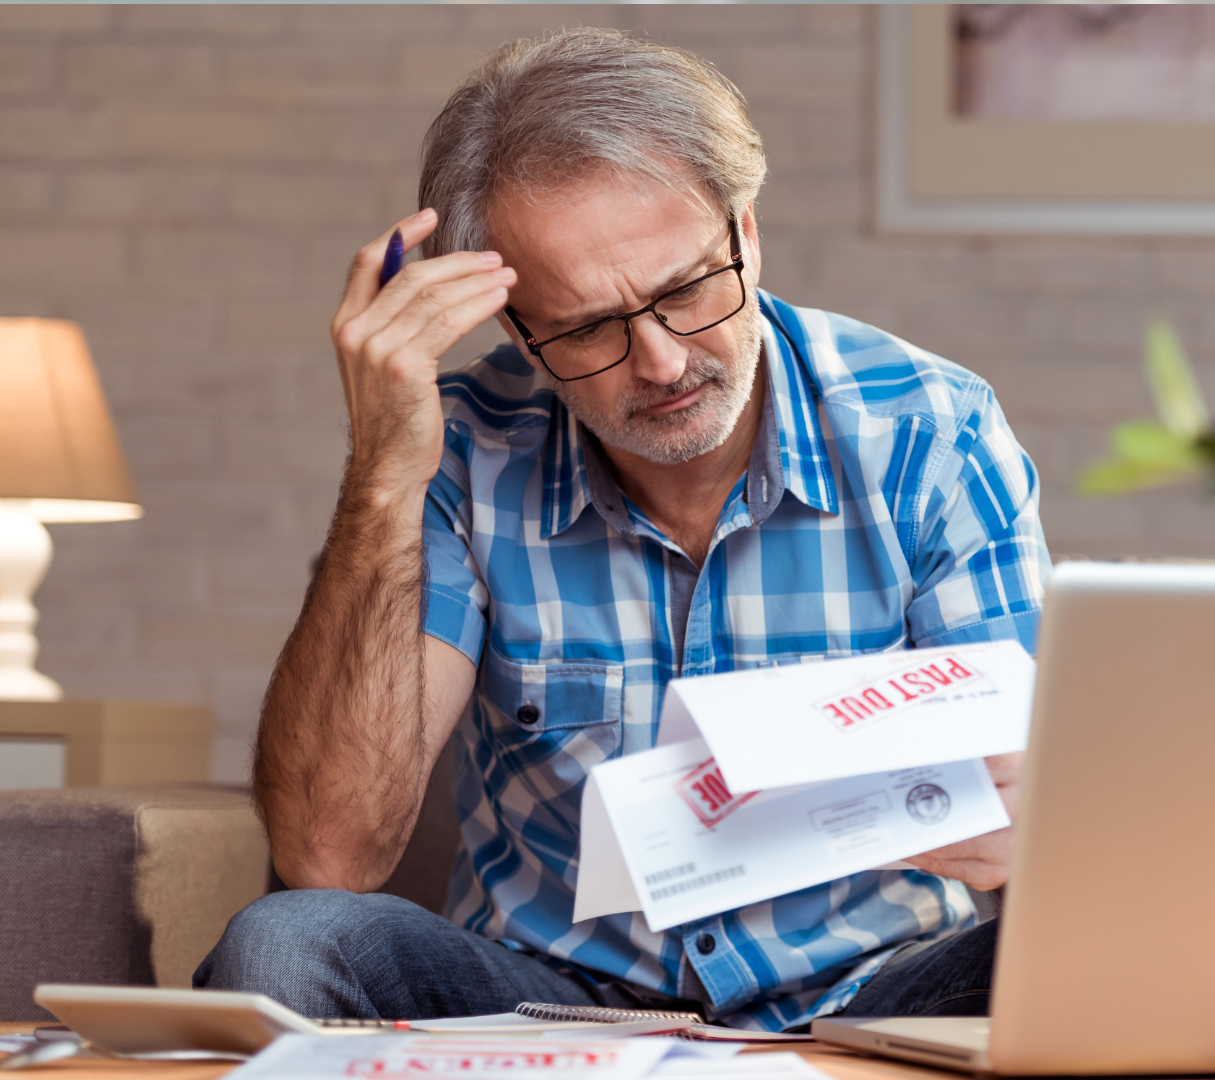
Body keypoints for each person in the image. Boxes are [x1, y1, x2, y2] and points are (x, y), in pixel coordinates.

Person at [196, 28, 1048, 1032]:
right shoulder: (463, 450)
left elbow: (1050, 828)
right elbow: (332, 855)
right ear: (519, 330)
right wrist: (384, 476)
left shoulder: (931, 433)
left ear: (746, 232)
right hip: (550, 1001)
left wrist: (1031, 825)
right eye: (591, 327)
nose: (662, 362)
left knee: (1114, 943)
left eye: (686, 290)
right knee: (284, 942)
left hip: (870, 993)